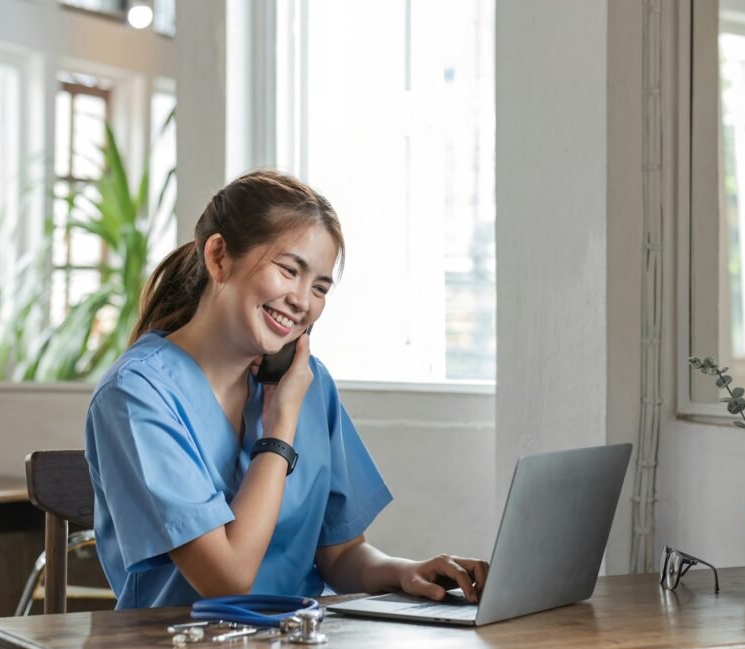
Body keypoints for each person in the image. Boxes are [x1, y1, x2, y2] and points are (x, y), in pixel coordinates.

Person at [84, 169, 488, 609]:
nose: (302, 300)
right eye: (288, 270)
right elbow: (227, 578)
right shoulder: (137, 394)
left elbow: (341, 553)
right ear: (219, 257)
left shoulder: (309, 382)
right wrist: (279, 431)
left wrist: (403, 572)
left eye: (319, 287)